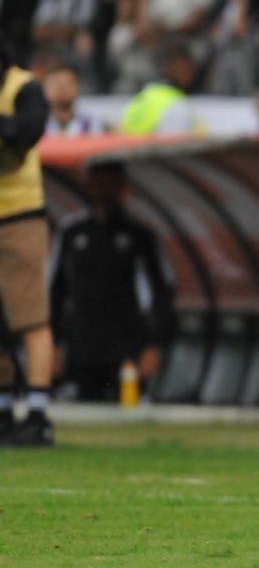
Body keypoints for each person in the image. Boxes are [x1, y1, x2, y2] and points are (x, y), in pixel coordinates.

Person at [50, 161, 174, 401]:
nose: (102, 188)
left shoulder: (141, 235)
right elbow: (55, 290)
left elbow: (162, 291)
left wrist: (155, 345)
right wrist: (54, 343)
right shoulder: (71, 232)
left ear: (121, 186)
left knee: (128, 411)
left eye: (109, 181)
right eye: (97, 181)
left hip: (128, 346)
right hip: (81, 345)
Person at [0, 36, 55, 445]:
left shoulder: (23, 86)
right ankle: (3, 407)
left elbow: (26, 132)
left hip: (20, 215)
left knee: (31, 317)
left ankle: (37, 412)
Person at [119, 42, 199, 135]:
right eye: (186, 65)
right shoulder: (177, 105)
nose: (192, 71)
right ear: (169, 66)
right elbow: (175, 147)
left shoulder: (138, 100)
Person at [43, 62, 104, 136]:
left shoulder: (91, 124)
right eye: (56, 84)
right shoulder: (37, 124)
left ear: (77, 87)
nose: (61, 89)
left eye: (66, 84)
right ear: (44, 88)